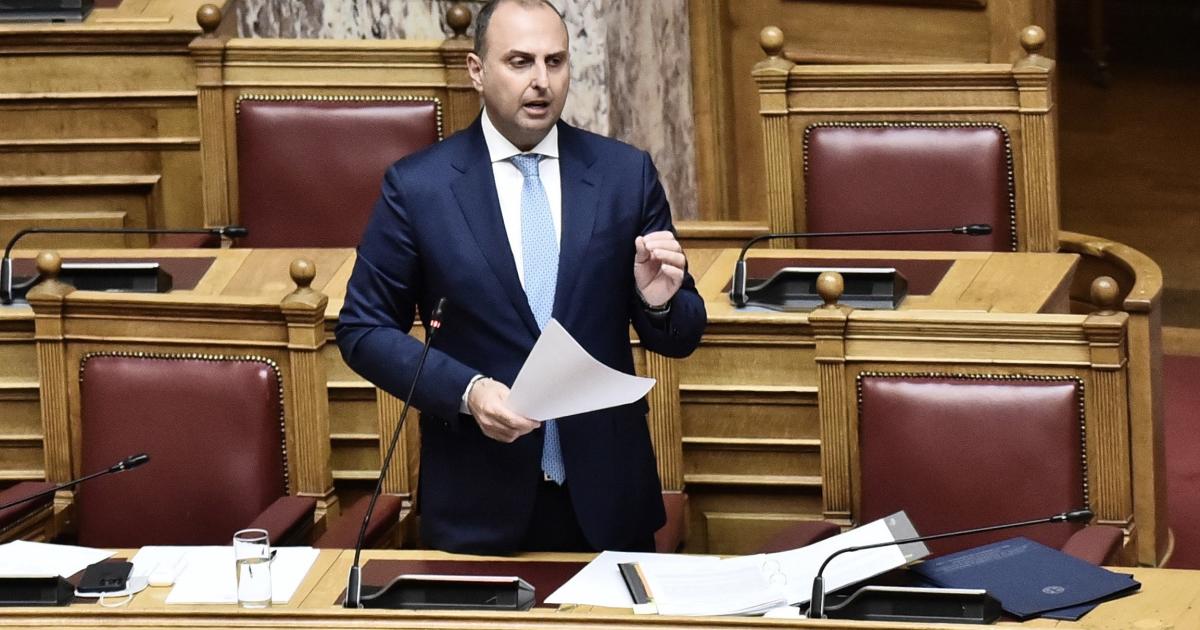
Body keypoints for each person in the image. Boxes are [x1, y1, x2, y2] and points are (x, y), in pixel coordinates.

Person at [336, 0, 705, 555]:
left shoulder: (624, 174)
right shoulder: (419, 188)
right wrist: (468, 391)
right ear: (477, 70)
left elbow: (682, 335)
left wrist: (657, 304)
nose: (541, 81)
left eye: (555, 62)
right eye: (520, 62)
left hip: (606, 497)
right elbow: (362, 329)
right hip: (477, 501)